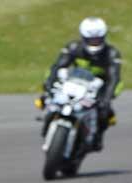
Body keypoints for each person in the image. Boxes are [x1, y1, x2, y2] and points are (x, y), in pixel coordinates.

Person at [43, 17, 123, 150]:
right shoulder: (73, 47)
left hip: (100, 86)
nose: (94, 43)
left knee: (105, 112)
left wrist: (106, 100)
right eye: (91, 40)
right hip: (76, 81)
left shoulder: (112, 53)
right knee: (47, 98)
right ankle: (48, 124)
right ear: (83, 37)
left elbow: (114, 78)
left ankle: (97, 137)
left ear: (103, 37)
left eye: (97, 39)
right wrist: (50, 83)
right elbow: (57, 66)